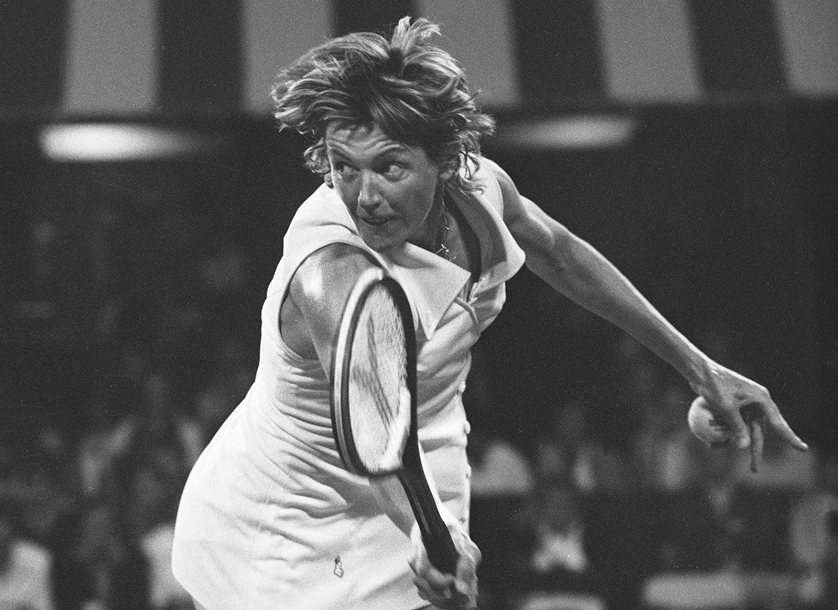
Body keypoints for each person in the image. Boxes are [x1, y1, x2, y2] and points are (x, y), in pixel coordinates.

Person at [170, 17, 807, 610]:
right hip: (290, 511)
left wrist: (698, 368)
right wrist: (428, 530)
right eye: (344, 167)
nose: (365, 196)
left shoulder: (481, 189)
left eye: (390, 166)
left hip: (426, 455)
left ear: (446, 160)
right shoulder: (329, 273)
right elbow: (371, 429)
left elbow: (558, 253)